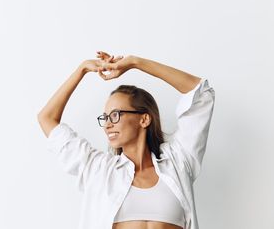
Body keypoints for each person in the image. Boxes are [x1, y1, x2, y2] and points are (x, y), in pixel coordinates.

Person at [37, 51, 215, 229]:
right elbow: (47, 118)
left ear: (144, 119)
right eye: (105, 117)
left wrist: (135, 63)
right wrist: (82, 69)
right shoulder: (97, 168)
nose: (107, 125)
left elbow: (200, 93)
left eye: (115, 115)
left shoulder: (178, 162)